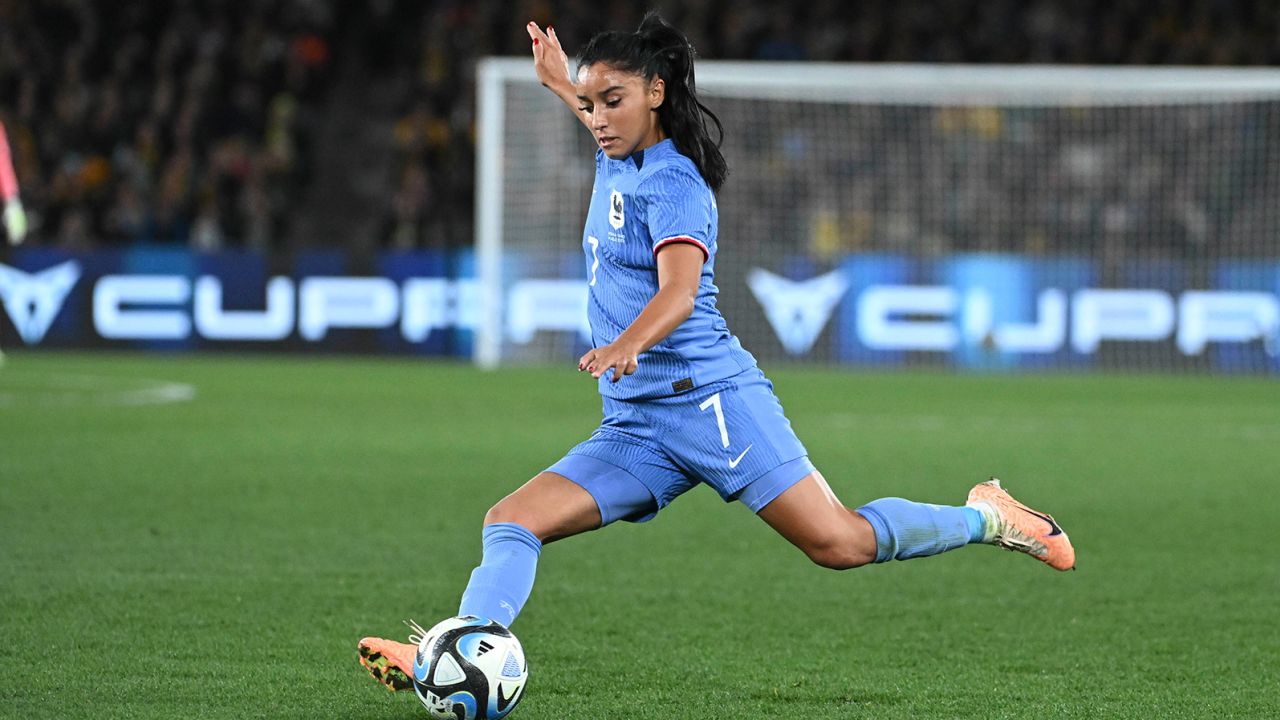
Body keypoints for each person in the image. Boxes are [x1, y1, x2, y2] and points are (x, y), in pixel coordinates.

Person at [358, 12, 1074, 693]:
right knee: (511, 520)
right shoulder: (619, 147)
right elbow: (596, 115)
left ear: (657, 94)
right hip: (637, 424)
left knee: (839, 543)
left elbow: (677, 293)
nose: (599, 119)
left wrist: (625, 344)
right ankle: (455, 654)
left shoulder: (674, 184)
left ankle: (990, 517)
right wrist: (556, 81)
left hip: (710, 401)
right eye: (592, 103)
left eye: (613, 101)